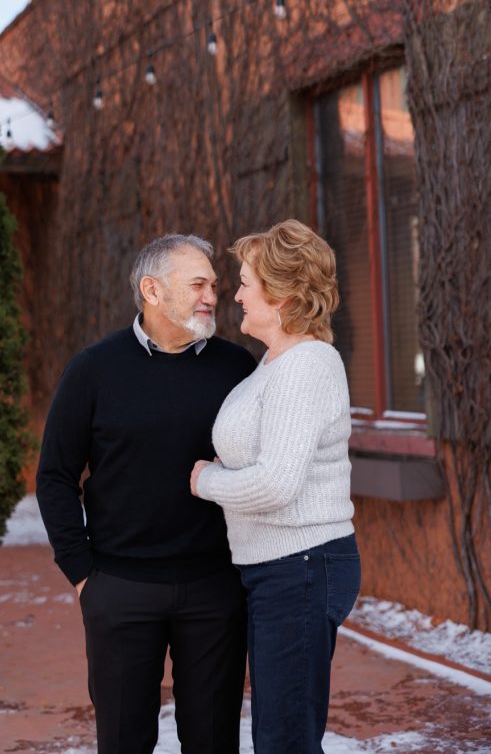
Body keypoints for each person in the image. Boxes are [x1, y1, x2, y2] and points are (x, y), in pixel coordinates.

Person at [36, 233, 257, 754]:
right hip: (120, 587)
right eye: (198, 284)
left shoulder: (238, 368)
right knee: (123, 740)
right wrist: (83, 573)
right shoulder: (93, 369)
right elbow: (56, 476)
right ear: (152, 290)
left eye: (215, 285)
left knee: (213, 740)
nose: (212, 296)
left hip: (214, 588)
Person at [190, 219, 360, 754]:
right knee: (277, 729)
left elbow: (275, 485)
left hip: (302, 567)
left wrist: (207, 480)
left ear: (282, 295)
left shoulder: (306, 366)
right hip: (278, 570)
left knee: (284, 736)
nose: (235, 294)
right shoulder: (273, 363)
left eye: (245, 282)